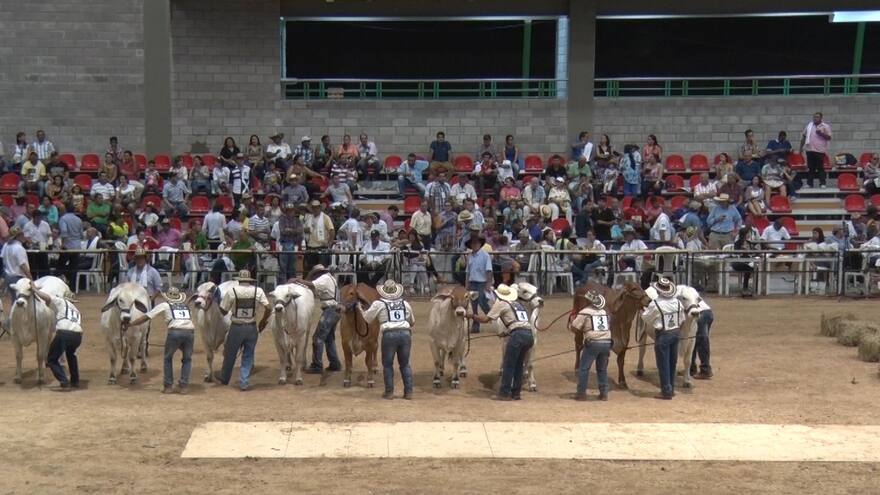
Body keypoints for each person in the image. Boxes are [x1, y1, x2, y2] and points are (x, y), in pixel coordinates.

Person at [468, 284, 535, 401]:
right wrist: (507, 332)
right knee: (519, 365)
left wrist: (471, 315)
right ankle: (516, 393)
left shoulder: (501, 303)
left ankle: (504, 393)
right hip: (528, 335)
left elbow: (485, 320)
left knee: (508, 365)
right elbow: (519, 323)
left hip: (517, 335)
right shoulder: (518, 304)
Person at [125, 287, 195, 394]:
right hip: (190, 332)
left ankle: (168, 386)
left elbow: (146, 317)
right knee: (187, 359)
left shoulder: (165, 305)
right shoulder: (185, 306)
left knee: (168, 358)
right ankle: (184, 386)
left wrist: (131, 324)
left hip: (175, 331)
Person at [358, 279, 415, 399]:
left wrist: (360, 309)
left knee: (388, 364)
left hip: (389, 335)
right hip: (405, 334)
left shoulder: (379, 304)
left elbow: (367, 319)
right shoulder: (405, 303)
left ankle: (389, 392)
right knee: (405, 364)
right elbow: (412, 322)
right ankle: (408, 392)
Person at [217, 270, 270, 391]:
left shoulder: (232, 291)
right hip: (251, 326)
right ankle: (244, 382)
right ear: (249, 280)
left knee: (230, 354)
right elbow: (268, 307)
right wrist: (263, 321)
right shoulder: (258, 291)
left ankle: (225, 378)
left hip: (236, 326)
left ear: (239, 280)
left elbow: (224, 311)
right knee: (248, 354)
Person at [641, 277, 685, 400]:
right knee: (672, 362)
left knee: (663, 363)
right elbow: (682, 319)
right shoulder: (677, 302)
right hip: (676, 332)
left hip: (663, 334)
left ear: (658, 290)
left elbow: (646, 318)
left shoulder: (655, 304)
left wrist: (644, 310)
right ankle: (670, 387)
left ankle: (666, 391)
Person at [32, 283, 82, 389]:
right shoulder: (76, 311)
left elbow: (46, 297)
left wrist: (35, 290)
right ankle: (75, 381)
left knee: (51, 359)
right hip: (78, 336)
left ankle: (64, 381)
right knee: (71, 355)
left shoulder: (61, 302)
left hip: (64, 333)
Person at [570, 290, 612, 401]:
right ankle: (604, 393)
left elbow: (574, 328)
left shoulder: (585, 311)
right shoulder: (604, 312)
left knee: (584, 368)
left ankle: (581, 393)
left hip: (593, 342)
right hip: (607, 342)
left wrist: (572, 320)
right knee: (602, 369)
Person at [305, 264, 342, 374]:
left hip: (330, 310)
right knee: (329, 339)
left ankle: (317, 365)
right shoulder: (330, 278)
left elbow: (310, 284)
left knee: (318, 338)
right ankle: (335, 364)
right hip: (335, 310)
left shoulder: (324, 278)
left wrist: (298, 280)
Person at [465, 234, 493, 333]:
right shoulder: (469, 256)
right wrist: (467, 283)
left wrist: (488, 284)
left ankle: (492, 316)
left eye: (476, 243)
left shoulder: (485, 255)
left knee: (482, 301)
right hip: (473, 282)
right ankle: (476, 324)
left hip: (482, 282)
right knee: (474, 305)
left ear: (480, 244)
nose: (475, 245)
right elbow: (468, 271)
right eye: (473, 243)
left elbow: (489, 270)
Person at [799, 112, 832, 188]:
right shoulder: (809, 126)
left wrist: (821, 134)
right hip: (809, 149)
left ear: (821, 118)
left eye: (817, 117)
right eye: (814, 117)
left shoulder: (825, 126)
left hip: (819, 150)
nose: (815, 119)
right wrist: (800, 148)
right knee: (811, 168)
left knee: (820, 167)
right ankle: (810, 184)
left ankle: (822, 183)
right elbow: (804, 137)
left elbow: (829, 138)